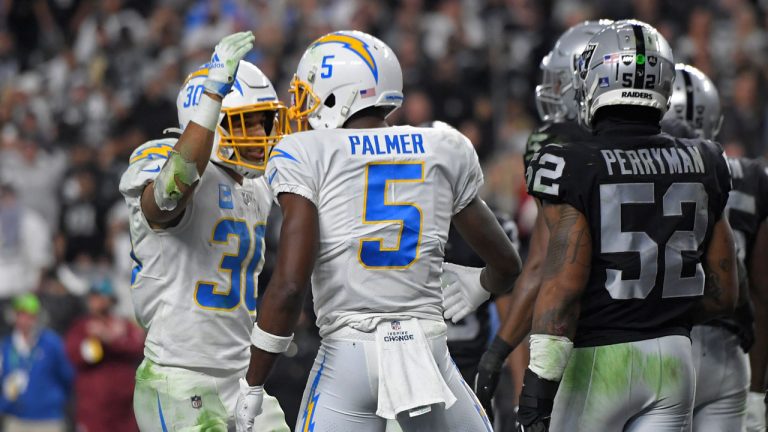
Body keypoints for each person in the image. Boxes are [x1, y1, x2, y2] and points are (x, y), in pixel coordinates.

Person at [235, 30, 522, 431]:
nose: (302, 107)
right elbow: (508, 264)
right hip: (427, 351)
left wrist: (253, 383)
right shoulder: (443, 146)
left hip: (347, 356)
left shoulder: (305, 153)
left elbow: (288, 286)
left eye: (309, 94)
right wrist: (483, 282)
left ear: (337, 95)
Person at [517, 20, 738, 431]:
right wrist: (658, 314)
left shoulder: (574, 162)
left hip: (599, 361)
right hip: (676, 362)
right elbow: (725, 293)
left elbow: (562, 289)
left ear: (595, 81)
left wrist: (535, 393)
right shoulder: (706, 160)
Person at [118, 31, 290, 431]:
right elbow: (165, 198)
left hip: (242, 373)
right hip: (179, 375)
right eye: (248, 123)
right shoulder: (161, 157)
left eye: (264, 123)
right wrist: (213, 94)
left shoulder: (256, 185)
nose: (261, 137)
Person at [472, 20, 612, 420]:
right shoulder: (668, 146)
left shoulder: (554, 147)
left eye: (561, 80)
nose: (553, 92)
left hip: (583, 336)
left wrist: (497, 351)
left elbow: (542, 263)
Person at [662, 63, 768, 432]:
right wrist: (757, 392)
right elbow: (758, 293)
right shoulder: (753, 177)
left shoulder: (634, 168)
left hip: (661, 339)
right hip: (727, 345)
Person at [64, 278, 145, 432]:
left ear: (112, 299)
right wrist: (99, 341)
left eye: (101, 296)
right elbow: (76, 356)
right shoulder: (81, 327)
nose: (97, 300)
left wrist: (113, 339)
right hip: (94, 412)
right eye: (93, 296)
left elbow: (138, 347)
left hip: (124, 412)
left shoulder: (125, 324)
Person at [0, 293, 73, 432]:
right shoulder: (6, 346)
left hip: (48, 420)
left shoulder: (51, 343)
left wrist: (54, 400)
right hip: (15, 419)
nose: (26, 320)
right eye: (22, 314)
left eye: (31, 315)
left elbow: (67, 376)